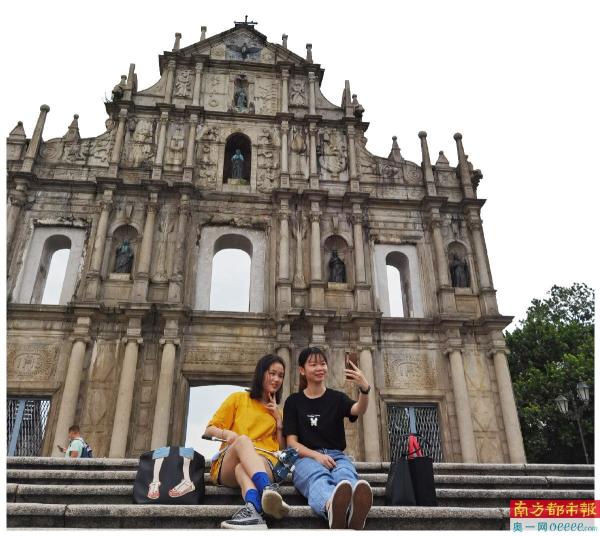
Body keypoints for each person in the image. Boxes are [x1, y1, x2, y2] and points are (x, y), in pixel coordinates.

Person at [283, 347, 373, 530]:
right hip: (305, 458)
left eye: (323, 364)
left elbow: (358, 409)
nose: (320, 368)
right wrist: (317, 456)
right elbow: (291, 443)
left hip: (337, 456)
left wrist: (364, 389)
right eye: (313, 364)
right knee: (317, 477)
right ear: (302, 370)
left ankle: (354, 509)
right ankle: (331, 506)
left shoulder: (337, 398)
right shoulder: (293, 401)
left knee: (345, 475)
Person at [205, 354, 290, 529]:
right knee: (243, 441)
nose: (276, 379)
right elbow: (209, 430)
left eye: (281, 376)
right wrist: (228, 434)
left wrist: (279, 422)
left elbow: (283, 450)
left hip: (264, 462)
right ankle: (267, 489)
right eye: (272, 373)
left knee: (242, 467)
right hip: (230, 461)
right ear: (261, 373)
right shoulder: (238, 398)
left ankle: (252, 510)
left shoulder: (278, 413)